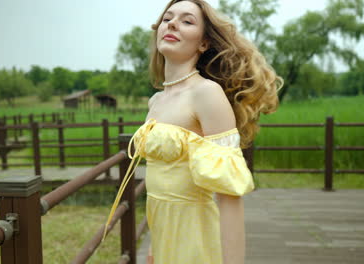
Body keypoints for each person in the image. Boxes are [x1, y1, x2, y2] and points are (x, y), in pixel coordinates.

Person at [104, 0, 283, 263]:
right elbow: (160, 190)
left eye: (187, 21)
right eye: (167, 18)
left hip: (197, 237)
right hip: (165, 238)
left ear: (203, 43)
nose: (173, 23)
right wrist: (153, 248)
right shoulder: (156, 101)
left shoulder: (207, 94)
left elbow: (228, 196)